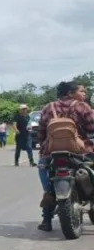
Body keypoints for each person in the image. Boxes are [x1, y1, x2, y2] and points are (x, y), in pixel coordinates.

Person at [36, 82, 94, 231]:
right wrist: (88, 144)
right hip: (80, 153)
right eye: (82, 91)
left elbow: (41, 133)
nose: (84, 94)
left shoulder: (48, 108)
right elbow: (92, 128)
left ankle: (46, 219)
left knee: (46, 173)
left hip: (52, 153)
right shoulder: (83, 107)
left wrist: (44, 148)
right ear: (70, 93)